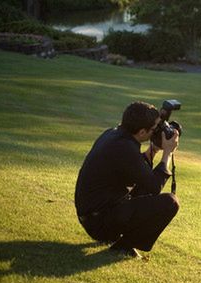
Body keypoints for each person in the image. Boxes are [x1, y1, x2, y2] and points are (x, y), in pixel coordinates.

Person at [75, 101, 180, 258]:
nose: (156, 132)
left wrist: (155, 149)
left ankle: (121, 240)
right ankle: (124, 247)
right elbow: (154, 186)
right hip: (99, 223)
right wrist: (167, 154)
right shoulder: (125, 148)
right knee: (170, 202)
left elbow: (137, 169)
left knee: (145, 187)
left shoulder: (113, 134)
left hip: (94, 215)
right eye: (153, 129)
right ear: (142, 132)